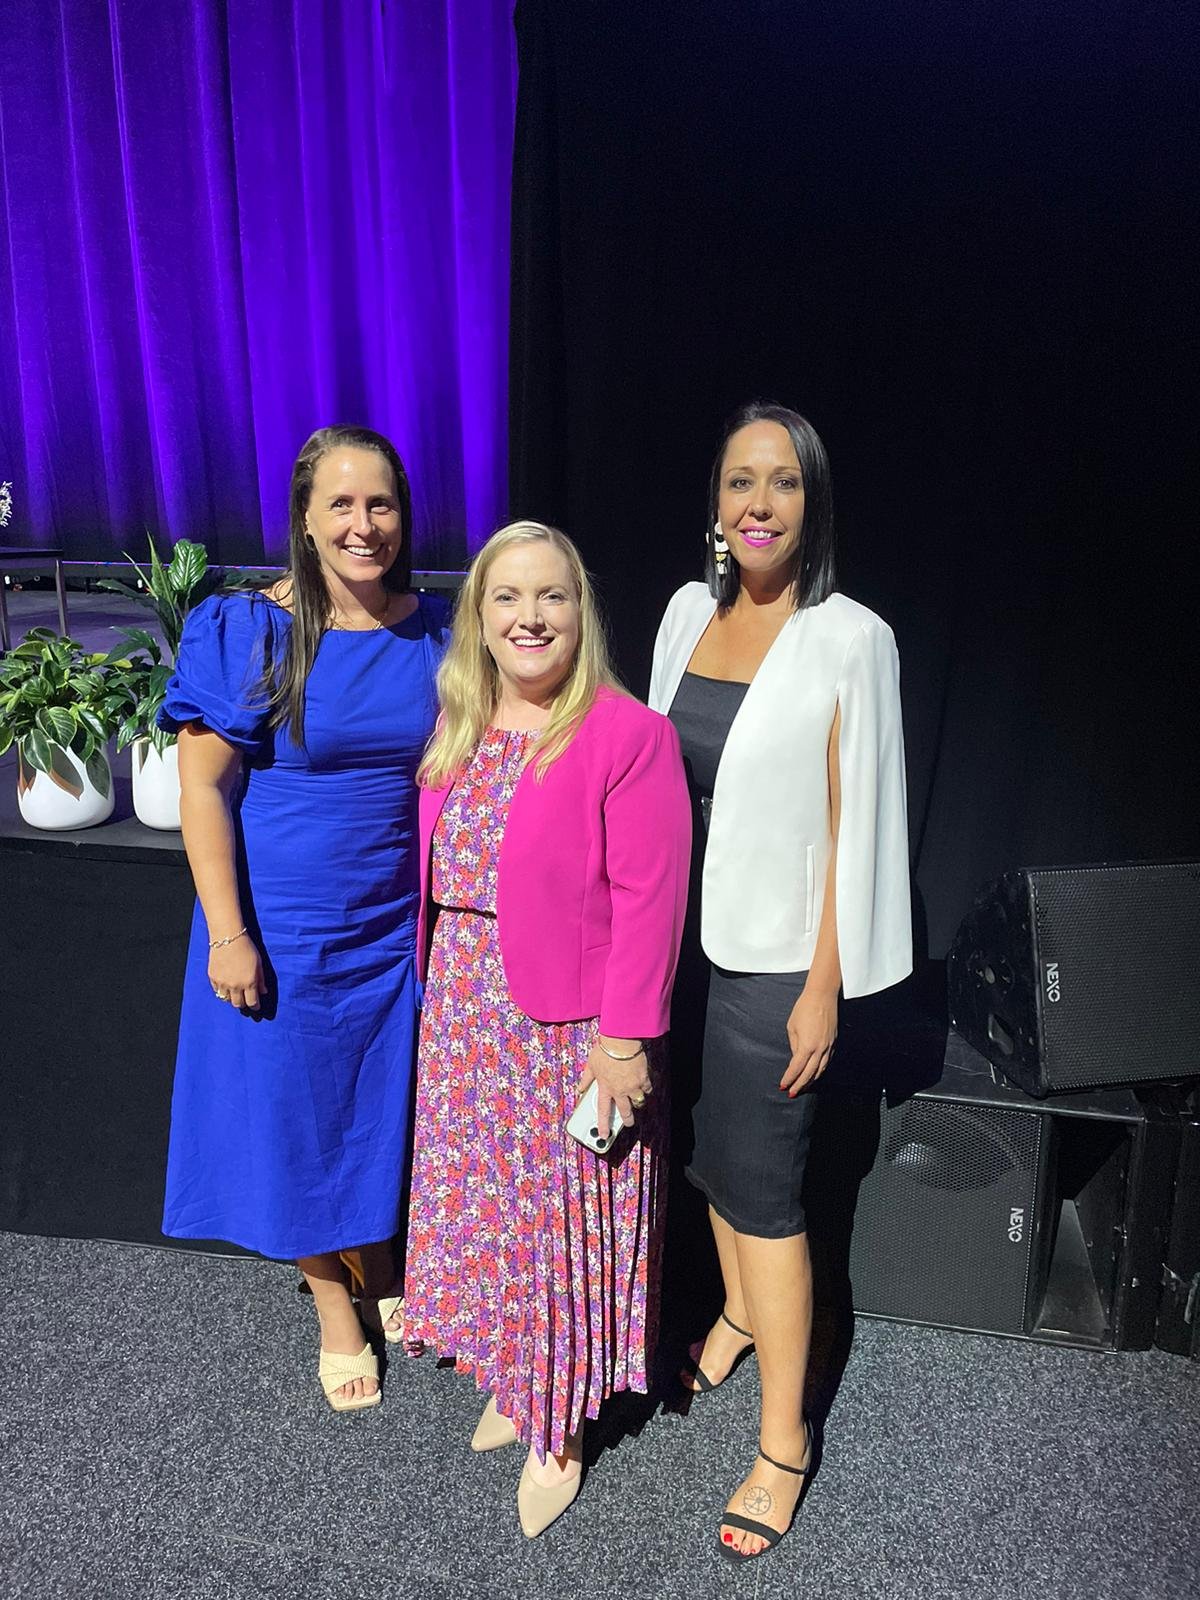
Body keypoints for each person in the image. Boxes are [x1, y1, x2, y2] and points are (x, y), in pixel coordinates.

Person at [649, 400, 911, 1561]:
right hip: (676, 949)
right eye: (739, 482)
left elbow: (862, 827)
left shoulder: (851, 636)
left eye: (783, 483)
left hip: (771, 967)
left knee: (767, 1198)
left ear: (813, 504)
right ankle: (742, 1314)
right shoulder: (681, 614)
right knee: (704, 1156)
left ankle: (785, 1440)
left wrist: (825, 985)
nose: (758, 503)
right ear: (716, 503)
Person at [401, 521, 691, 1538]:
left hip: (564, 1029)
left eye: (552, 596)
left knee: (559, 1225)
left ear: (583, 610)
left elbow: (652, 901)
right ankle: (519, 1372)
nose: (530, 617)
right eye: (508, 598)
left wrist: (625, 1040)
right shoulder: (460, 724)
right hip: (469, 1015)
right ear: (479, 617)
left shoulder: (627, 735)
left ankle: (558, 1423)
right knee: (493, 1217)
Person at [159, 424, 448, 1412]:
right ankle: (333, 1300)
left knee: (375, 1106)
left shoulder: (438, 632)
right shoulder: (253, 629)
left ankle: (378, 1260)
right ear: (306, 518)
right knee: (292, 1111)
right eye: (342, 504)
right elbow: (203, 789)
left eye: (381, 504)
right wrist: (229, 932)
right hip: (279, 927)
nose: (364, 524)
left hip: (391, 924)